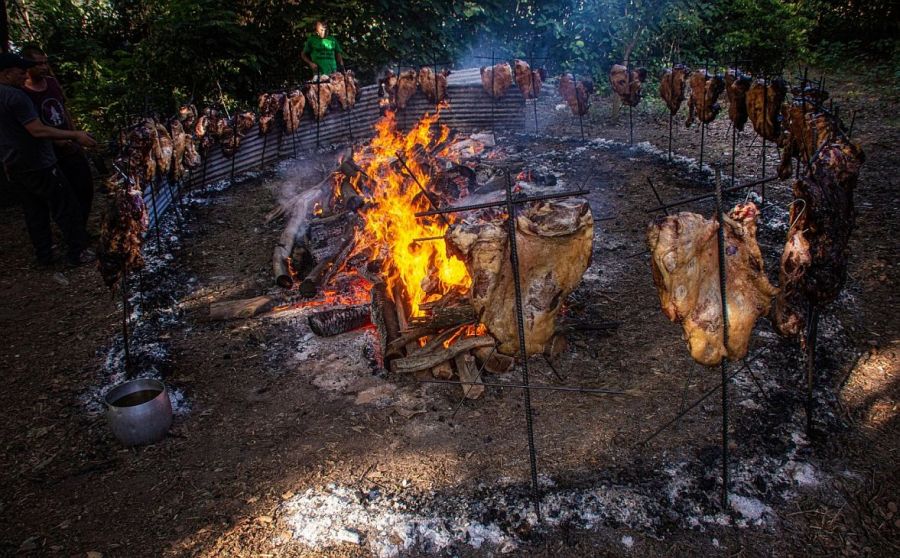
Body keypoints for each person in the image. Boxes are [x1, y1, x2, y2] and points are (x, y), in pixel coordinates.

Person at [0, 52, 97, 266]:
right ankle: (77, 252)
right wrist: (75, 135)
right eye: (20, 71)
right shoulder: (17, 97)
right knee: (65, 206)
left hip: (16, 164)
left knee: (34, 210)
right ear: (6, 73)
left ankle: (44, 256)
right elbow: (37, 130)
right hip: (39, 163)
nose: (24, 74)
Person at [20, 44, 94, 229]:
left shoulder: (51, 83)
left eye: (45, 62)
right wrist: (58, 141)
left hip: (71, 143)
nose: (44, 67)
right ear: (27, 66)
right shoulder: (22, 92)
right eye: (39, 64)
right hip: (48, 152)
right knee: (63, 196)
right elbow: (33, 127)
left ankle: (80, 228)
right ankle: (73, 234)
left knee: (85, 188)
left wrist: (75, 134)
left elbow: (63, 108)